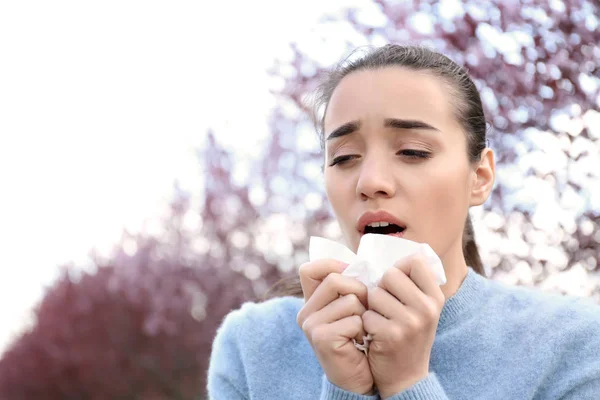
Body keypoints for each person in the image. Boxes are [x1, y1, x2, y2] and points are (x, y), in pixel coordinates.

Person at [206, 44, 600, 399]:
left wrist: (409, 384)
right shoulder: (252, 346)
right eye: (344, 157)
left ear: (479, 177)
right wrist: (345, 390)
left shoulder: (574, 343)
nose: (370, 182)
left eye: (412, 151)